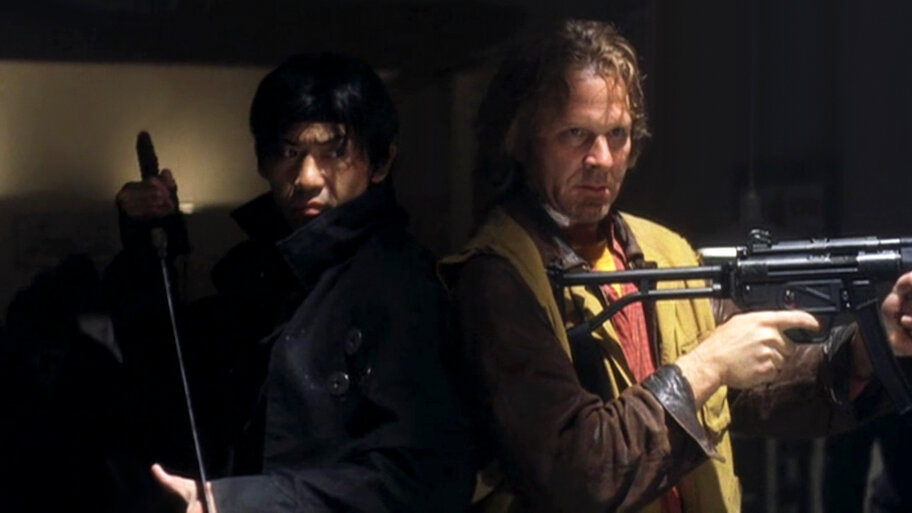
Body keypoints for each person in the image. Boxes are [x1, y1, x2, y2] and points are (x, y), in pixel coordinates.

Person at [439, 19, 912, 513]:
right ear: (523, 138)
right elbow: (578, 473)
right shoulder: (499, 274)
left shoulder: (661, 249)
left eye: (617, 134)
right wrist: (708, 364)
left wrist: (872, 347)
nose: (602, 159)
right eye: (576, 134)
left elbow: (763, 388)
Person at [105, 53, 475, 513]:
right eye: (287, 152)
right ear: (263, 161)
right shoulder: (257, 272)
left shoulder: (404, 287)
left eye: (335, 152)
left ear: (381, 162)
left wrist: (237, 502)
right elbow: (161, 381)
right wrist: (149, 244)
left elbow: (421, 478)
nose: (306, 177)